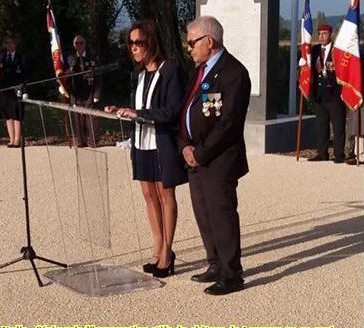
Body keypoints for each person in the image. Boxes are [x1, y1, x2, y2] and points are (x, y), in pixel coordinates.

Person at [105, 20, 187, 278]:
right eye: (130, 43)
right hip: (141, 141)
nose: (134, 48)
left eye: (139, 42)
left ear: (151, 42)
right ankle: (156, 246)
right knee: (149, 197)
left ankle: (167, 251)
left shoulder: (170, 70)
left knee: (165, 196)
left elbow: (173, 111)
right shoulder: (138, 74)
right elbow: (138, 108)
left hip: (161, 141)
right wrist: (121, 111)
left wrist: (138, 113)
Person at [181, 16, 251, 296]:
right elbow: (185, 110)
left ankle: (232, 274)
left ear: (208, 41)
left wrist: (201, 152)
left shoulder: (233, 73)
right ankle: (215, 263)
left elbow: (229, 124)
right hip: (194, 156)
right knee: (203, 214)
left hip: (218, 159)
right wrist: (184, 145)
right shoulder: (200, 72)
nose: (188, 48)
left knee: (221, 215)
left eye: (191, 43)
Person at [308, 23, 346, 163]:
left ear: (330, 35)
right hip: (320, 94)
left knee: (338, 125)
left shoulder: (337, 50)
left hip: (334, 93)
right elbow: (309, 66)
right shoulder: (315, 50)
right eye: (320, 34)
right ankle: (322, 153)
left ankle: (339, 154)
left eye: (324, 34)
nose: (321, 37)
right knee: (321, 125)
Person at [67, 35, 102, 147]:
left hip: (90, 91)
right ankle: (81, 141)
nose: (79, 45)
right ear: (74, 45)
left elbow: (99, 77)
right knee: (78, 118)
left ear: (85, 44)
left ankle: (93, 141)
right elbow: (65, 76)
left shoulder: (93, 58)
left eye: (81, 43)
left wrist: (97, 94)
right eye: (77, 43)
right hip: (76, 93)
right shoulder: (70, 59)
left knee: (91, 117)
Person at [0, 35, 27, 148]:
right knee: (8, 115)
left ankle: (18, 139)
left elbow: (24, 73)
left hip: (16, 89)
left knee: (16, 114)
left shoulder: (20, 57)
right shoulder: (1, 57)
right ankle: (11, 139)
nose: (9, 45)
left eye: (11, 43)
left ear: (15, 44)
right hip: (5, 90)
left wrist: (25, 89)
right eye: (7, 43)